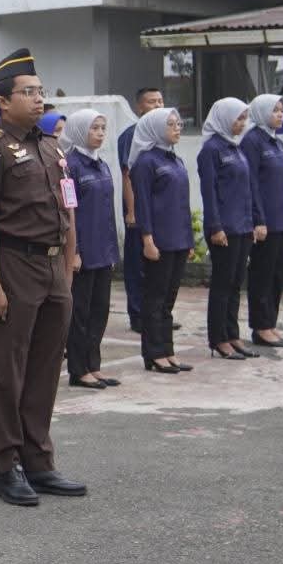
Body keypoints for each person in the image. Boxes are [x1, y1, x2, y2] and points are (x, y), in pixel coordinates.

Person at [0, 48, 86, 507]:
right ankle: (8, 465)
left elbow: (68, 210)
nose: (39, 99)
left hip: (54, 268)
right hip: (15, 265)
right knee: (9, 371)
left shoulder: (52, 146)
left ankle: (40, 460)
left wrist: (69, 268)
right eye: (28, 92)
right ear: (2, 101)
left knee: (44, 368)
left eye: (40, 91)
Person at [198, 99, 264, 361]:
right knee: (222, 285)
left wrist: (252, 222)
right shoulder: (211, 150)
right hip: (223, 228)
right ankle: (218, 339)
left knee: (236, 284)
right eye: (237, 118)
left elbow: (247, 190)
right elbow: (209, 192)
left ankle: (233, 334)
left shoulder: (236, 148)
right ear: (224, 118)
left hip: (242, 226)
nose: (242, 123)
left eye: (245, 118)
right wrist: (215, 226)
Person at [128, 108, 193, 375]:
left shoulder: (175, 159)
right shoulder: (146, 162)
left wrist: (188, 239)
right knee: (154, 299)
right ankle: (153, 354)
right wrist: (147, 239)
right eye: (171, 124)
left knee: (168, 301)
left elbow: (182, 204)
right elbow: (142, 203)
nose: (177, 127)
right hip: (158, 241)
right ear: (155, 127)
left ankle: (168, 350)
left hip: (178, 240)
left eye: (179, 123)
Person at [60, 110, 121, 390]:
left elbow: (107, 212)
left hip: (103, 251)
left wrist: (111, 251)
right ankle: (78, 369)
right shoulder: (70, 165)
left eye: (102, 127)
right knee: (80, 313)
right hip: (82, 254)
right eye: (94, 128)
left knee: (100, 311)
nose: (99, 133)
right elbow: (69, 213)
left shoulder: (103, 165)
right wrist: (75, 251)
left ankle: (93, 366)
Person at [242, 94, 283, 347]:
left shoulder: (278, 143)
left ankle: (271, 324)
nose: (280, 114)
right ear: (262, 111)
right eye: (274, 110)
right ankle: (260, 327)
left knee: (277, 275)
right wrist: (258, 219)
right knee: (262, 275)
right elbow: (250, 182)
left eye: (282, 110)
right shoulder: (252, 141)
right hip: (266, 222)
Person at [118, 87, 165, 334]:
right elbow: (128, 174)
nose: (158, 105)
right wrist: (133, 210)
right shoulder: (132, 135)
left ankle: (156, 315)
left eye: (160, 101)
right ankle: (137, 315)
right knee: (137, 265)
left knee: (157, 267)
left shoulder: (162, 135)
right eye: (151, 102)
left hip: (159, 213)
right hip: (139, 213)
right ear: (140, 107)